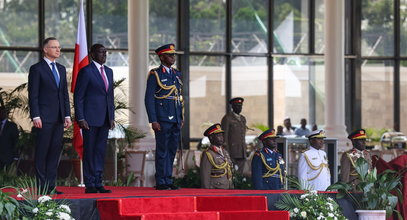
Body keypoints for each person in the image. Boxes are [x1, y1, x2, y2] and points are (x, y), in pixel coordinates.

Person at [28, 37, 71, 194]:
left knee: (54, 151)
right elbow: (33, 95)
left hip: (59, 117)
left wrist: (67, 115)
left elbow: (64, 94)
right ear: (45, 50)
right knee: (42, 151)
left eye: (59, 47)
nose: (58, 50)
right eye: (54, 47)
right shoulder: (37, 69)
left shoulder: (61, 68)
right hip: (44, 118)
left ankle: (51, 185)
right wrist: (36, 116)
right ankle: (42, 186)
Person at [74, 44, 115, 193]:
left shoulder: (109, 72)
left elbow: (110, 96)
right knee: (90, 151)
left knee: (100, 151)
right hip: (89, 120)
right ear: (92, 54)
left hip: (104, 119)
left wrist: (111, 117)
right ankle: (90, 183)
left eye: (105, 52)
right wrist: (81, 117)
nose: (104, 55)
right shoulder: (86, 71)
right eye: (101, 52)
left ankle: (98, 182)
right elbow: (79, 97)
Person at [145, 44, 183, 190]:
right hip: (162, 118)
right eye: (170, 55)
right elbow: (149, 99)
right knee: (162, 150)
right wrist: (153, 120)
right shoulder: (155, 74)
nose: (173, 57)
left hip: (175, 119)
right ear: (162, 57)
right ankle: (161, 180)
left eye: (174, 55)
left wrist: (181, 117)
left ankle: (168, 179)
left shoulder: (176, 74)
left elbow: (179, 98)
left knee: (172, 150)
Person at [200, 123, 234, 189]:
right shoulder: (208, 154)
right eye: (218, 136)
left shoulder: (225, 152)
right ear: (211, 137)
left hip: (227, 186)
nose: (221, 138)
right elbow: (205, 176)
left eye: (222, 135)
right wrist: (206, 193)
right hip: (216, 188)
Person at [221, 97, 247, 174]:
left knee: (240, 173)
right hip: (232, 150)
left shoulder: (243, 118)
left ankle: (239, 185)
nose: (239, 107)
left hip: (242, 151)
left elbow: (243, 135)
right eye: (237, 105)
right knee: (231, 172)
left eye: (240, 105)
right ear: (232, 106)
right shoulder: (227, 118)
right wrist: (226, 151)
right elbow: (224, 135)